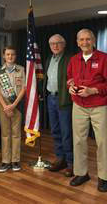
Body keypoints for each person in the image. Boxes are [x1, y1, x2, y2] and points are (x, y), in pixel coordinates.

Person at [67, 29, 107, 192]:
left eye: (88, 39)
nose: (84, 42)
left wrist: (92, 90)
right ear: (77, 42)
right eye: (81, 40)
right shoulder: (74, 59)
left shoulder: (104, 58)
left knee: (102, 142)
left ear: (93, 41)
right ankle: (81, 173)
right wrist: (70, 87)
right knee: (78, 140)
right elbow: (70, 78)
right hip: (78, 105)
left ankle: (104, 177)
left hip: (99, 105)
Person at [43, 34, 73, 177]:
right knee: (55, 131)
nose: (55, 46)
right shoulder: (49, 59)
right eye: (52, 44)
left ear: (64, 44)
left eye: (58, 43)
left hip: (64, 99)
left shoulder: (70, 59)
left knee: (66, 132)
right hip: (51, 98)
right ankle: (60, 158)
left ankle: (71, 162)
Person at [0, 46, 26, 172]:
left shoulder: (21, 69)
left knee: (16, 133)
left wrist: (14, 104)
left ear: (15, 56)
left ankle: (15, 160)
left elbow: (23, 88)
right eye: (7, 54)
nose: (10, 57)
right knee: (5, 133)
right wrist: (5, 106)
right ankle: (5, 161)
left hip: (16, 103)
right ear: (3, 56)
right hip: (3, 104)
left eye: (12, 54)